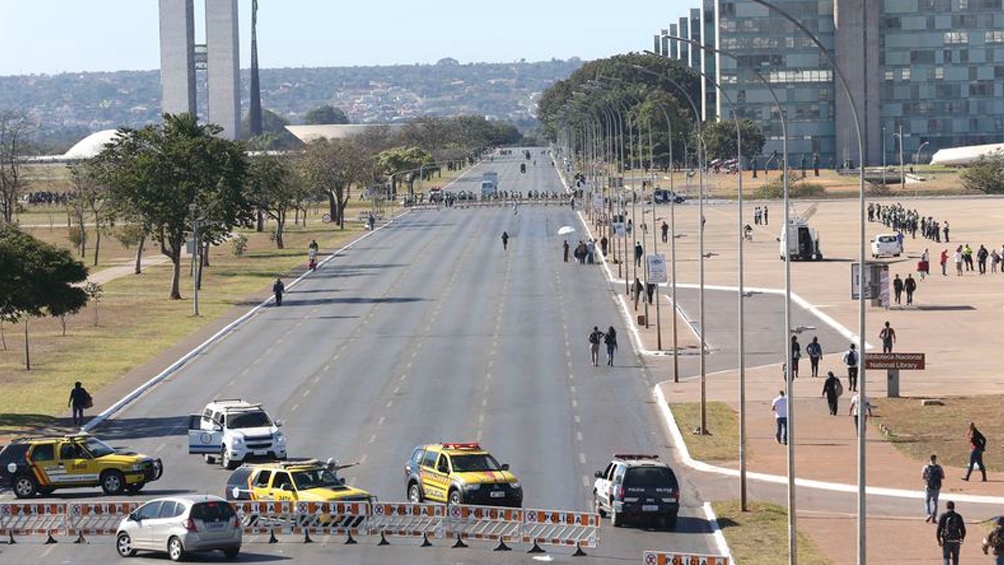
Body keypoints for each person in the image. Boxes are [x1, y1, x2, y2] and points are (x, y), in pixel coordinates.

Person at [936, 500, 966, 565]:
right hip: (956, 540)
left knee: (946, 557)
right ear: (954, 507)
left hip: (947, 540)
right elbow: (963, 529)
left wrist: (939, 540)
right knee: (955, 557)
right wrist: (962, 538)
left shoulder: (943, 516)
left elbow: (939, 529)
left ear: (946, 507)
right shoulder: (958, 516)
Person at [922, 454, 945, 523]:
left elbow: (923, 476)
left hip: (928, 486)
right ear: (935, 459)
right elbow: (943, 476)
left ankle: (928, 514)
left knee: (927, 501)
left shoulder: (926, 467)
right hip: (937, 487)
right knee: (935, 502)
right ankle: (934, 517)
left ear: (930, 459)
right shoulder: (939, 467)